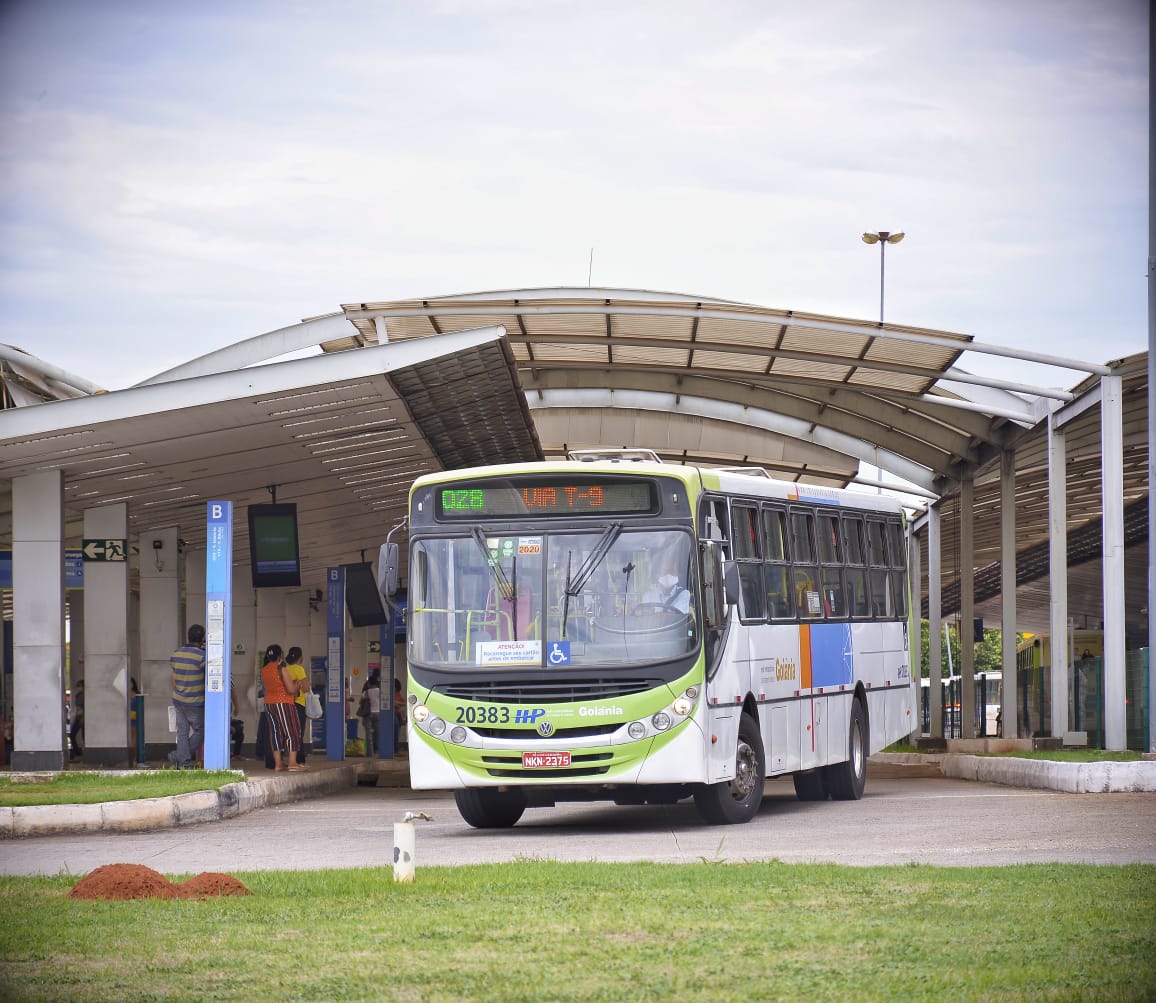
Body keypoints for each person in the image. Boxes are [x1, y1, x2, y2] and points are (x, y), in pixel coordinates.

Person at [261, 643, 304, 771]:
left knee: (275, 733)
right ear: (280, 655)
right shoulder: (281, 668)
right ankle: (292, 763)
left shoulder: (264, 670)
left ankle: (278, 764)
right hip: (283, 703)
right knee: (292, 731)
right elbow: (291, 689)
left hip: (269, 704)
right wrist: (297, 685)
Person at [168, 625, 206, 769]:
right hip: (195, 701)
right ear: (202, 639)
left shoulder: (176, 654)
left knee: (182, 732)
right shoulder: (202, 656)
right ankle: (178, 757)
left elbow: (173, 675)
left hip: (178, 699)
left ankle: (184, 763)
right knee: (201, 731)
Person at [284, 646, 308, 766]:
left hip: (288, 704)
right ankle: (299, 760)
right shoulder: (299, 669)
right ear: (300, 657)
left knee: (292, 732)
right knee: (299, 732)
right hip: (299, 704)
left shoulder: (286, 669)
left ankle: (294, 759)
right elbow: (306, 688)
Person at [360, 671, 381, 757]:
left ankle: (370, 753)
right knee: (378, 733)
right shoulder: (380, 691)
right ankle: (379, 751)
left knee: (368, 734)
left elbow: (360, 701)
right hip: (378, 713)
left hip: (368, 714)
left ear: (369, 683)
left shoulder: (367, 692)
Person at [68, 679, 85, 759]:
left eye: (79, 685)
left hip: (83, 718)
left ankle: (83, 751)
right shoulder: (78, 695)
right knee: (72, 735)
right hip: (78, 717)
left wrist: (83, 718)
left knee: (84, 736)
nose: (78, 687)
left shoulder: (86, 696)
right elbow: (77, 708)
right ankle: (77, 751)